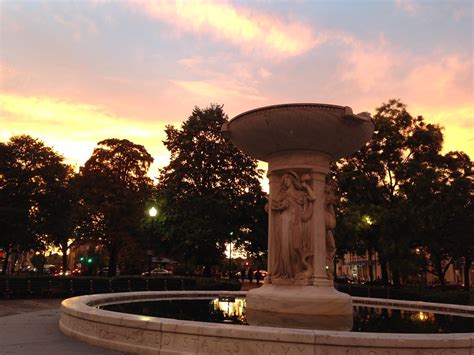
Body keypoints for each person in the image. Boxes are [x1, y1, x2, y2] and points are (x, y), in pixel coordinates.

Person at [270, 171, 316, 280]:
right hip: (285, 220)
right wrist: (281, 207)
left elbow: (313, 197)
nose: (286, 182)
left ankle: (299, 269)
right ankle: (287, 271)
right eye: (284, 180)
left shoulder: (299, 193)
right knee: (285, 246)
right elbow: (273, 206)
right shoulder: (282, 194)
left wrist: (306, 186)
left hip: (296, 221)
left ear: (292, 180)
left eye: (288, 179)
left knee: (295, 246)